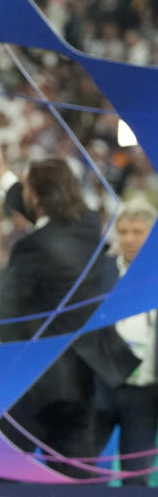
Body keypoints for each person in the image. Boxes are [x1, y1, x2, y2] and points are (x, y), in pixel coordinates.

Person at [0, 133, 138, 478]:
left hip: (34, 385)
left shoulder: (32, 248)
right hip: (81, 381)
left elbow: (4, 313)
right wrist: (2, 175)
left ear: (36, 197)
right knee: (76, 479)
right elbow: (45, 206)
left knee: (1, 475)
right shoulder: (88, 227)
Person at [93, 199, 158, 485]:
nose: (129, 239)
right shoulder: (101, 273)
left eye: (138, 231)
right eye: (124, 231)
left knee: (136, 477)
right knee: (83, 472)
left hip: (144, 393)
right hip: (101, 387)